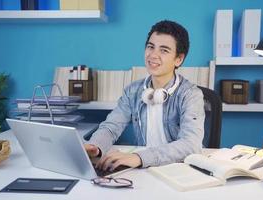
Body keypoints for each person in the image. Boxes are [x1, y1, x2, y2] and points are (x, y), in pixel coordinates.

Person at [84, 20, 205, 171]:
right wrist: (95, 146)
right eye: (150, 47)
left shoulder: (191, 94)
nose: (153, 55)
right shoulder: (133, 91)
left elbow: (190, 144)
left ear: (178, 59)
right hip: (146, 169)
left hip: (179, 169)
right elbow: (111, 127)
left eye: (164, 50)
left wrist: (140, 157)